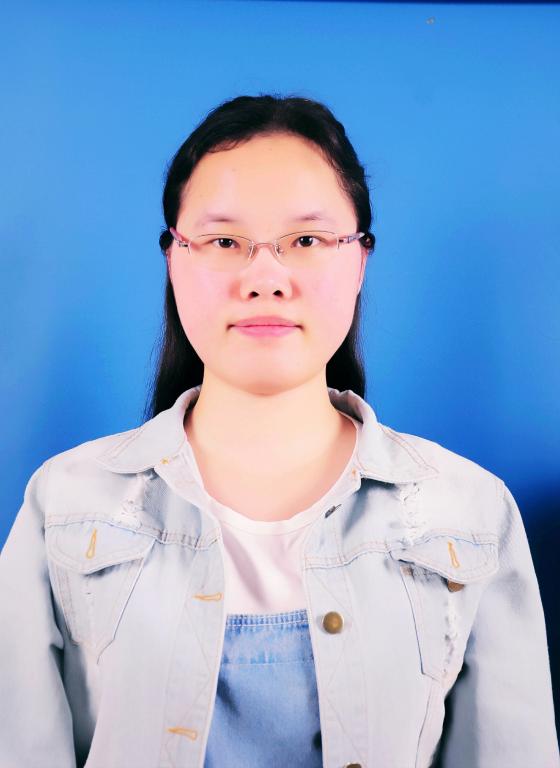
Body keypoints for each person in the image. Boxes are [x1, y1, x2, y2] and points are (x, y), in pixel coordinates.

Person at [1, 94, 558, 768]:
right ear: (173, 258)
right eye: (224, 242)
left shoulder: (469, 512)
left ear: (360, 260)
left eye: (306, 241)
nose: (265, 279)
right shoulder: (65, 503)